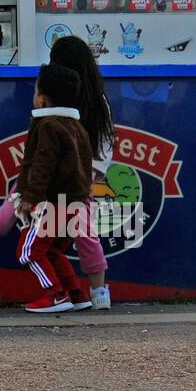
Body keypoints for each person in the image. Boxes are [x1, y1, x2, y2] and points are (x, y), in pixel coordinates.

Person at [0, 64, 92, 314]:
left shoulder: (47, 125)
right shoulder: (77, 127)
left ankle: (56, 296)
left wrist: (30, 197)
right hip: (73, 203)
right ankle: (76, 294)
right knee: (53, 250)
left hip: (50, 203)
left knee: (29, 251)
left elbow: (42, 164)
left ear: (42, 98)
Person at [48, 34, 115, 309]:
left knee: (51, 232)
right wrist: (95, 172)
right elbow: (106, 141)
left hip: (65, 172)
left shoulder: (62, 97)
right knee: (80, 231)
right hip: (81, 172)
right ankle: (96, 291)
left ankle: (64, 292)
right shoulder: (97, 98)